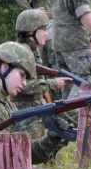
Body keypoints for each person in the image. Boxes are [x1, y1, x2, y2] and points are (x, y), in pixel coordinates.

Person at [12, 9, 71, 140]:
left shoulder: (32, 51)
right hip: (26, 114)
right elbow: (23, 86)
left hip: (34, 110)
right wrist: (52, 83)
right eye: (43, 29)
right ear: (30, 31)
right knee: (29, 156)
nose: (46, 33)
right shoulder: (21, 53)